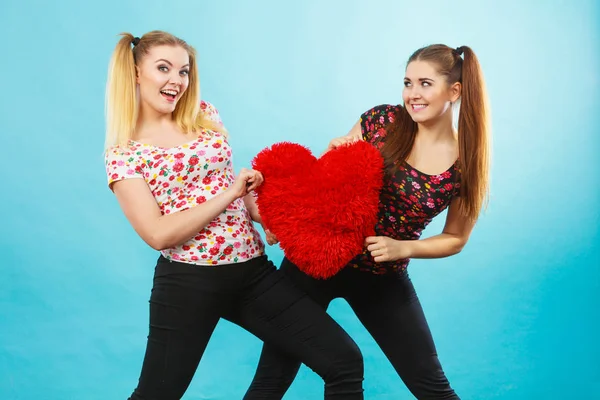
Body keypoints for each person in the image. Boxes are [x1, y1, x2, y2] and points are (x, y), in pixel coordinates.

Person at [103, 30, 365, 400]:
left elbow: (229, 186)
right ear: (135, 73)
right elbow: (158, 234)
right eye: (164, 68)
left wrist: (266, 214)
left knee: (344, 361)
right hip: (188, 284)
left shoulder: (203, 114)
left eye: (184, 71)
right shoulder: (124, 153)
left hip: (251, 273)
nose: (176, 81)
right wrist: (232, 193)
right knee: (155, 395)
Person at [244, 44, 491, 399]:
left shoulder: (465, 166)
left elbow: (455, 238)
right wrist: (334, 152)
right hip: (317, 262)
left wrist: (402, 248)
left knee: (432, 384)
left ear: (454, 91)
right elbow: (323, 185)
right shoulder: (382, 121)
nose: (413, 94)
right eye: (408, 83)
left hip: (381, 276)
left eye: (425, 84)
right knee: (272, 376)